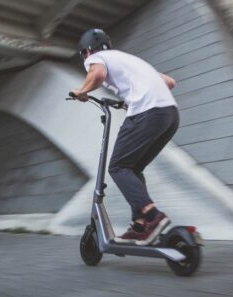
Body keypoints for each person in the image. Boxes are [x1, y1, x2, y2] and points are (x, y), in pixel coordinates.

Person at [71, 29, 179, 245]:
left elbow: (98, 75)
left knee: (118, 167)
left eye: (85, 55)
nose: (87, 60)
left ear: (86, 51)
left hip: (147, 112)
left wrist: (81, 91)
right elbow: (169, 82)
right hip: (170, 115)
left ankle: (152, 216)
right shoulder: (128, 59)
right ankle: (140, 225)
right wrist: (129, 98)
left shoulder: (96, 58)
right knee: (133, 168)